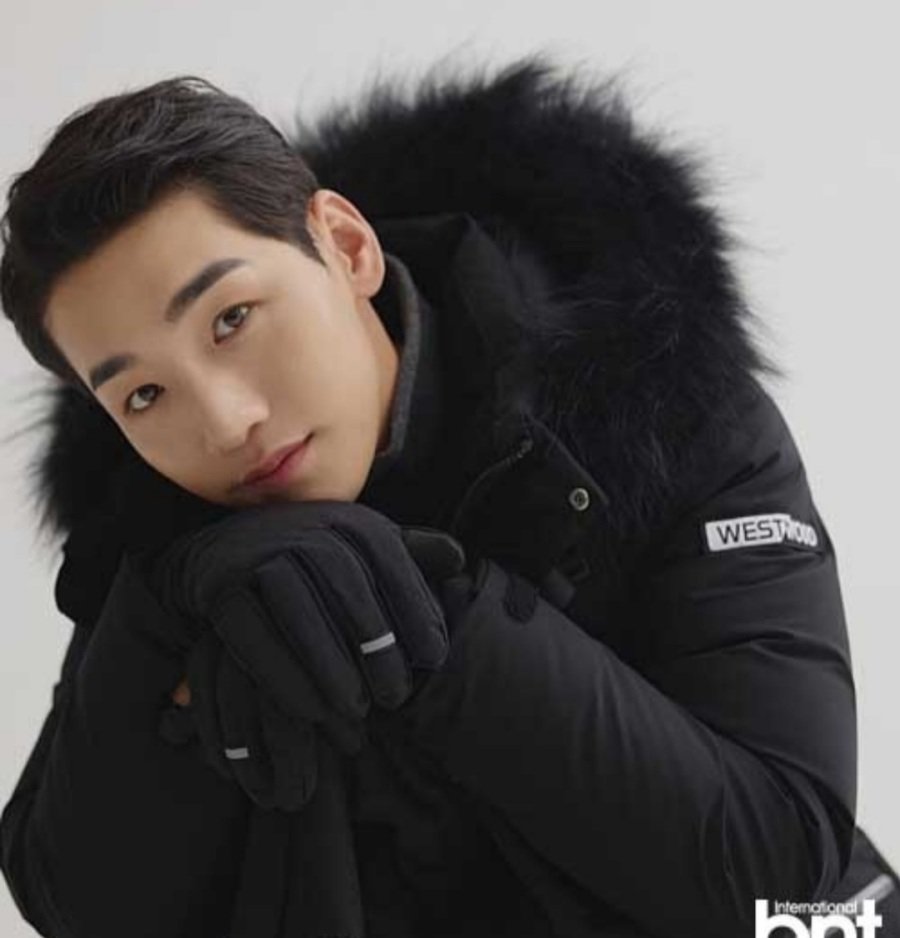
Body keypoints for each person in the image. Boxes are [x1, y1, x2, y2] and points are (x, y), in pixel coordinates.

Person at [0, 52, 896, 938]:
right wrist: (164, 618)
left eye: (231, 319)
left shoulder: (666, 407)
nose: (227, 423)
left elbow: (776, 869)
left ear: (347, 246)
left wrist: (426, 618)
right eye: (143, 395)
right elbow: (79, 906)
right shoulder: (165, 536)